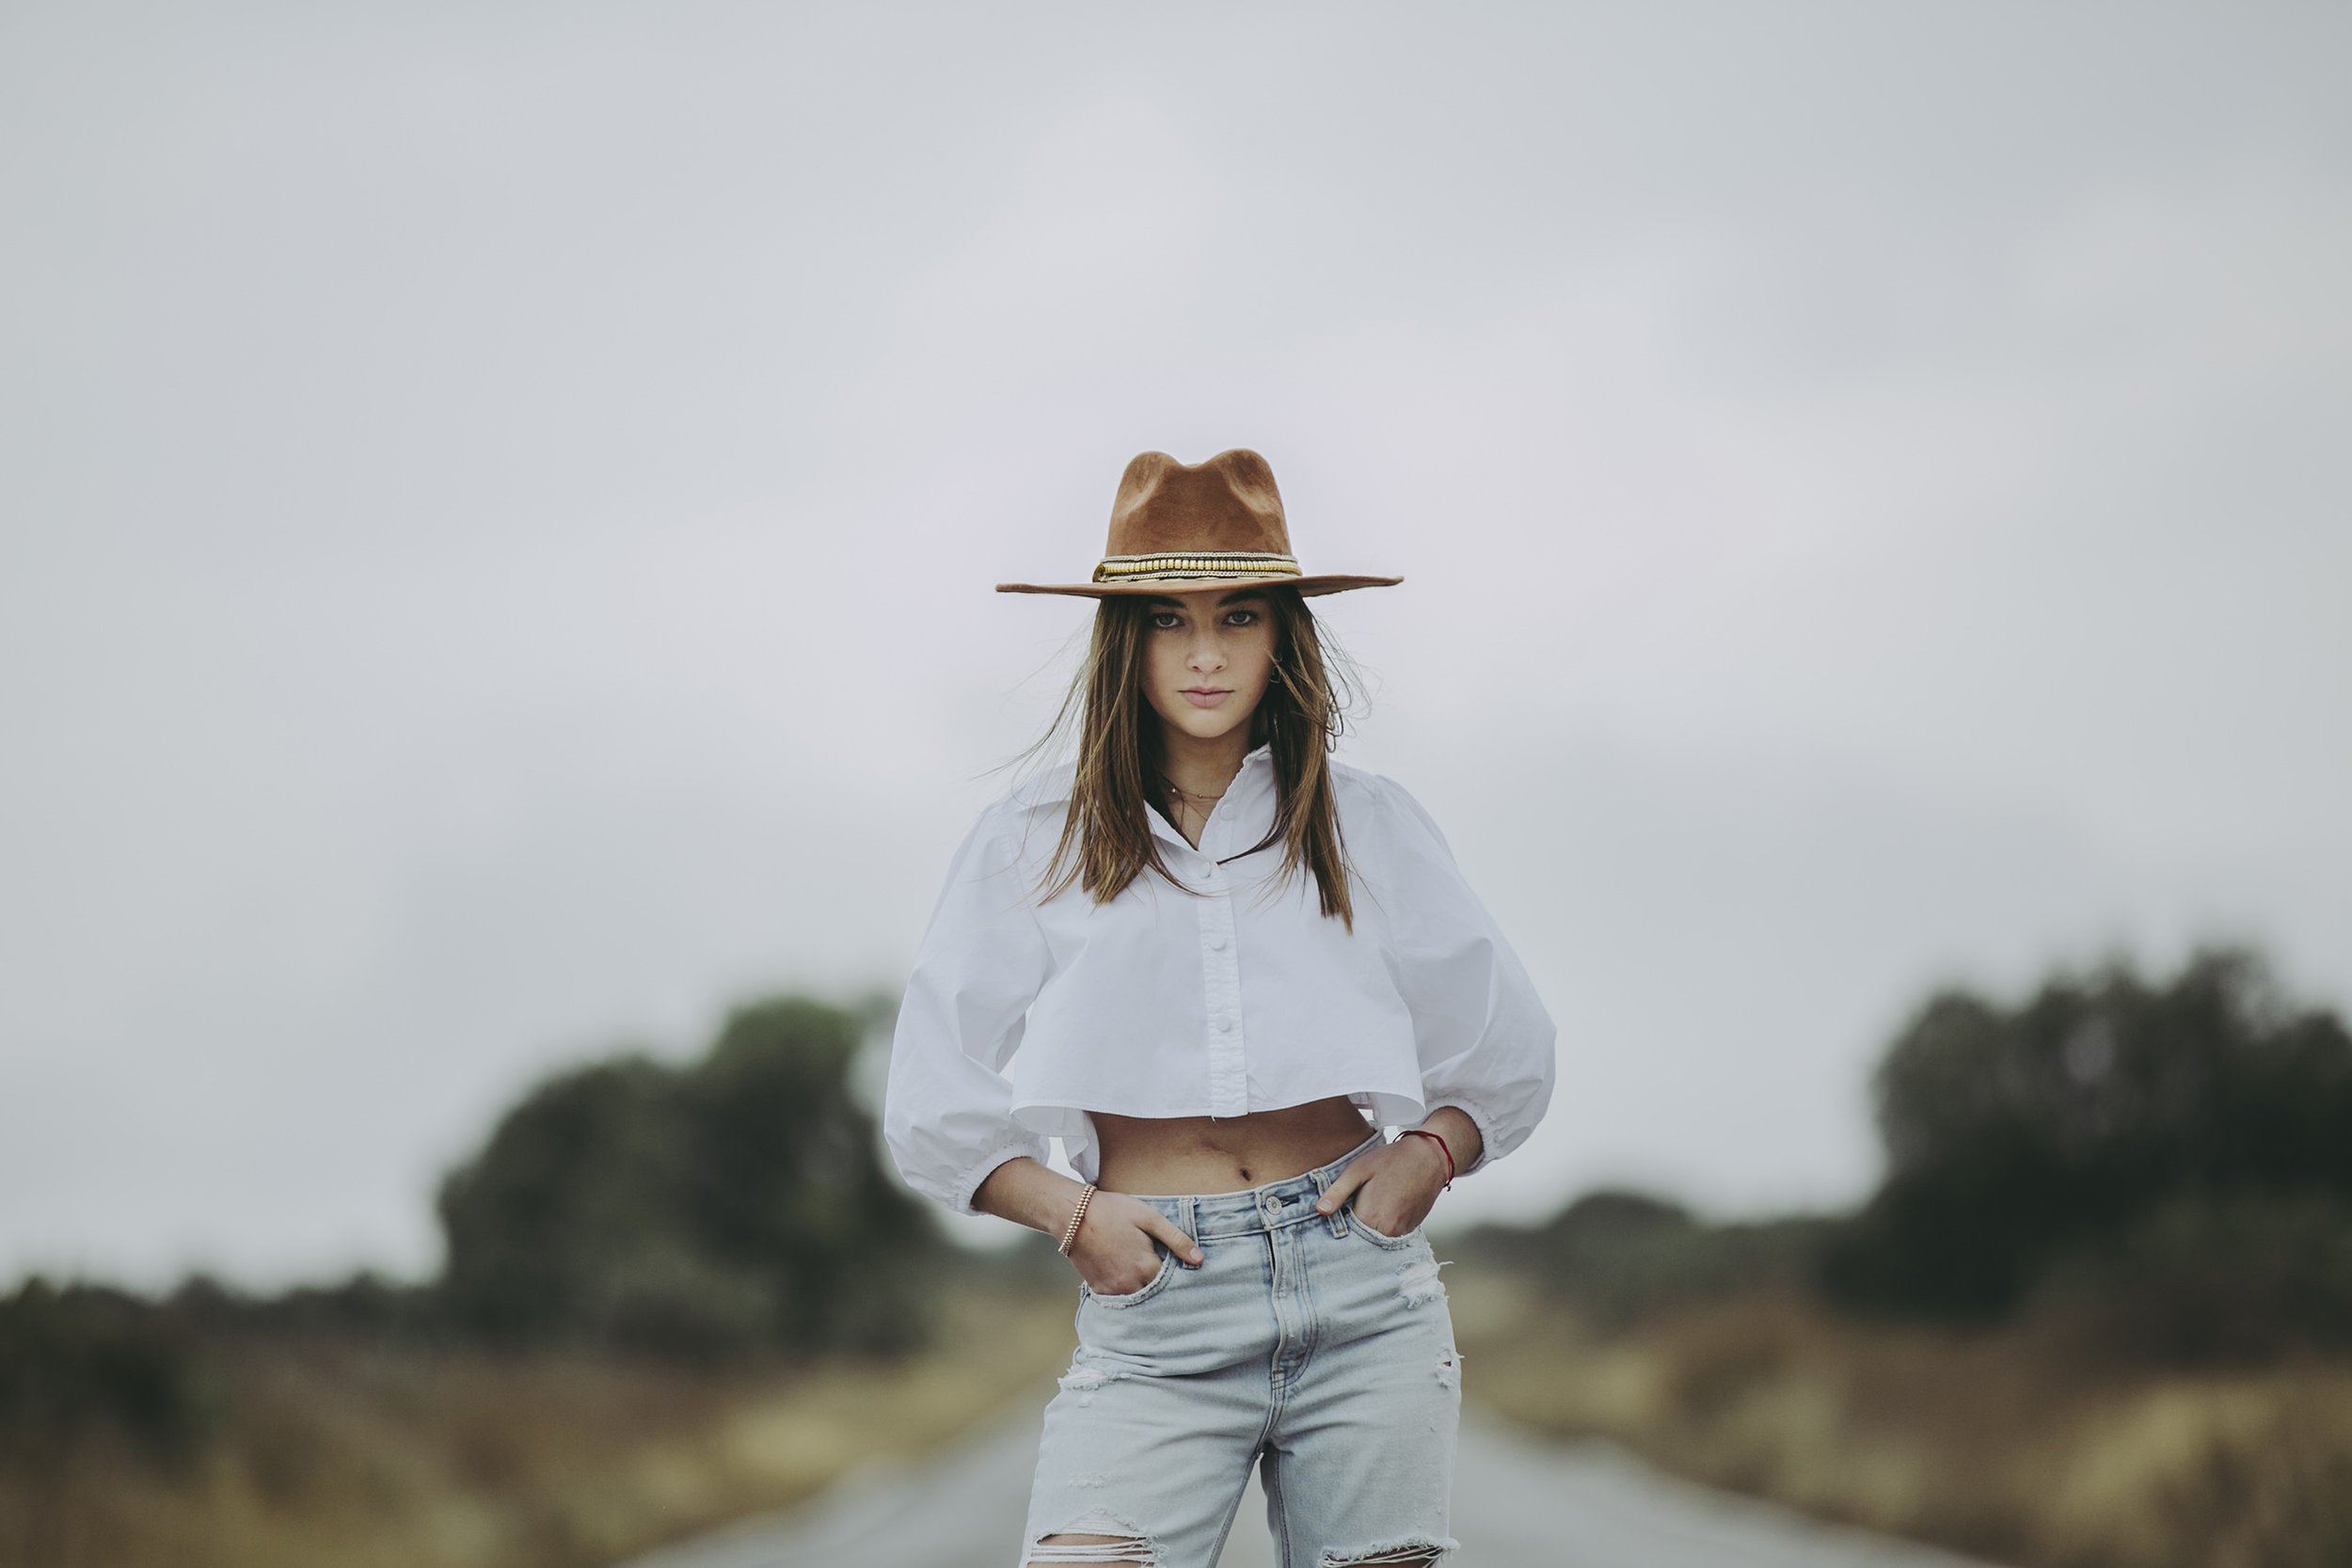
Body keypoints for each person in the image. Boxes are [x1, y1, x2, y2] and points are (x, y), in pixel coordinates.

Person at [882, 448, 1557, 1568]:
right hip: (1160, 1304)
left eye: (1237, 615)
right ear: (1123, 639)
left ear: (1281, 633)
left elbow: (1509, 1046)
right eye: (1165, 619)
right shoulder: (1030, 839)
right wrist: (1071, 1214)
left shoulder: (1367, 824)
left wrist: (1428, 1155)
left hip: (1361, 1285)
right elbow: (928, 1092)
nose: (1204, 653)